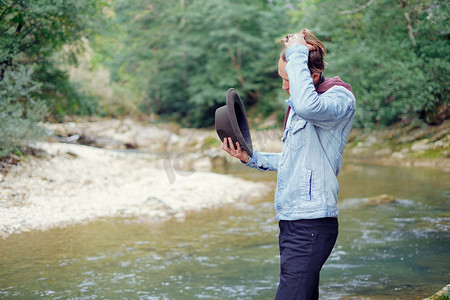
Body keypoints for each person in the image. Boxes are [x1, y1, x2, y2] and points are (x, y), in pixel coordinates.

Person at [220, 28, 356, 300]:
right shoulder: (302, 105)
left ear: (311, 75)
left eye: (289, 78)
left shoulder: (338, 98)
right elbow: (295, 161)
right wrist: (253, 159)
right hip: (293, 221)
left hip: (312, 224)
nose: (284, 86)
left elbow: (308, 107)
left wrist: (296, 53)